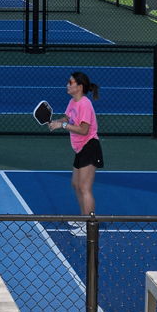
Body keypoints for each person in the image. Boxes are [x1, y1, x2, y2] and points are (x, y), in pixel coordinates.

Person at [43, 71, 101, 217]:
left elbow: (83, 129)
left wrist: (62, 126)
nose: (67, 85)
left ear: (79, 87)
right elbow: (68, 118)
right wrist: (57, 122)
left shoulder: (85, 104)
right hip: (80, 149)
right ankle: (83, 219)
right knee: (76, 185)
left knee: (84, 188)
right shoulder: (73, 102)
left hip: (90, 146)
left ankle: (90, 225)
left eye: (70, 82)